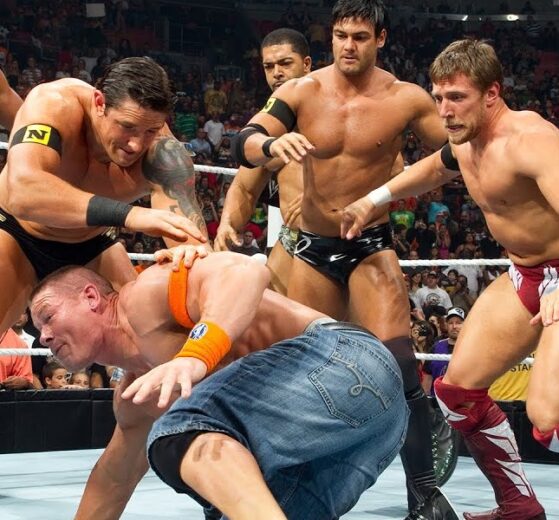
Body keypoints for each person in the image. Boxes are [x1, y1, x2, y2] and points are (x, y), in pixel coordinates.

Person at [231, 1, 451, 513]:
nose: (347, 46)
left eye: (359, 36)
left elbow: (457, 150)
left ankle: (425, 496)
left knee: (401, 367)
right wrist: (270, 148)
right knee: (304, 372)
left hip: (370, 246)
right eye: (339, 35)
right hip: (311, 250)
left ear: (381, 39)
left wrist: (396, 190)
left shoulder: (407, 99)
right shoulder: (302, 92)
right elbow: (246, 140)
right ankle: (289, 493)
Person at [29, 246, 410, 520]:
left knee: (177, 431)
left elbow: (246, 272)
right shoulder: (137, 396)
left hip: (348, 361)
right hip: (373, 429)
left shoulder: (144, 296)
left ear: (91, 297)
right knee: (223, 491)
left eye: (48, 316)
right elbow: (114, 479)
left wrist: (196, 355)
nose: (44, 336)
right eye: (37, 329)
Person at [341, 38, 554, 519]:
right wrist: (372, 200)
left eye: (457, 97)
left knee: (546, 419)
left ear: (492, 93)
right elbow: (435, 168)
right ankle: (519, 505)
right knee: (457, 392)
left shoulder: (531, 141)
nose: (444, 110)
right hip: (525, 273)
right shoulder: (466, 141)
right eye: (438, 97)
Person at [0, 56, 206, 335]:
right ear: (99, 103)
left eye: (150, 130)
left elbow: (194, 249)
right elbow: (23, 193)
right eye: (127, 126)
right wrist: (129, 214)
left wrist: (200, 263)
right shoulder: (54, 104)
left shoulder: (163, 154)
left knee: (151, 336)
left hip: (91, 243)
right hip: (14, 231)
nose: (136, 145)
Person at [215, 28, 312, 295]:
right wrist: (227, 226)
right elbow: (245, 187)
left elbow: (387, 167)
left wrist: (325, 200)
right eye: (269, 67)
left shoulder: (337, 107)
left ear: (306, 64)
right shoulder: (268, 124)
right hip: (294, 239)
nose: (276, 73)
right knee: (266, 307)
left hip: (345, 236)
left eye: (285, 63)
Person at [422, 307, 465, 396]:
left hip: (464, 401)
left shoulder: (472, 349)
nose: (454, 326)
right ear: (446, 325)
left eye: (458, 323)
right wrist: (426, 399)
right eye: (450, 323)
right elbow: (427, 375)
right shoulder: (436, 347)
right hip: (437, 399)